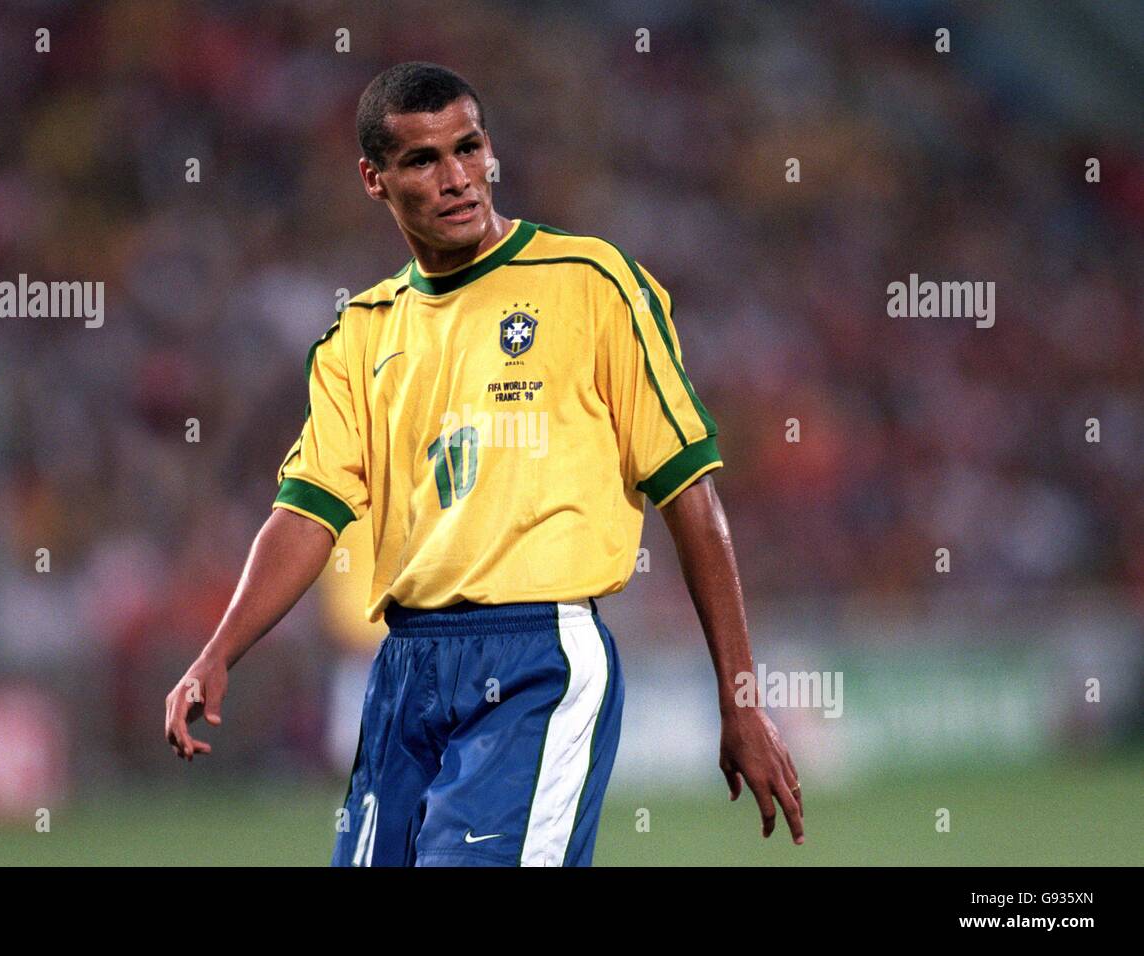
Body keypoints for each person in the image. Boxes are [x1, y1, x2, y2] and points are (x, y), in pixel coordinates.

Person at [165, 61, 803, 866]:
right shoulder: (359, 335)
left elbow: (690, 494)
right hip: (404, 669)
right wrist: (217, 652)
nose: (458, 177)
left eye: (469, 148)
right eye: (424, 160)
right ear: (374, 178)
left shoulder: (592, 283)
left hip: (537, 655)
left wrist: (741, 697)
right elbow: (304, 514)